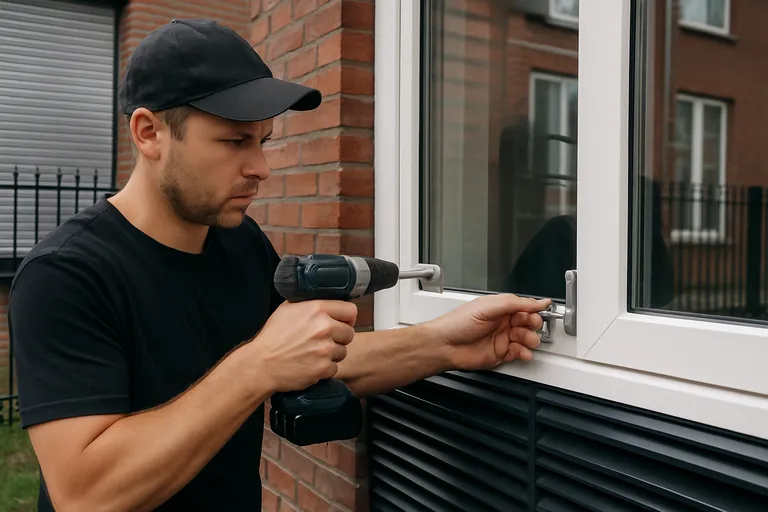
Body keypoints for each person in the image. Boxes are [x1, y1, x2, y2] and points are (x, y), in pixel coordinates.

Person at [8, 18, 550, 512]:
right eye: (234, 141)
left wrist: (450, 342)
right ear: (149, 133)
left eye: (264, 142)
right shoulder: (67, 275)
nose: (260, 168)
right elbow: (85, 493)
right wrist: (255, 366)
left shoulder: (241, 243)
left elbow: (313, 357)